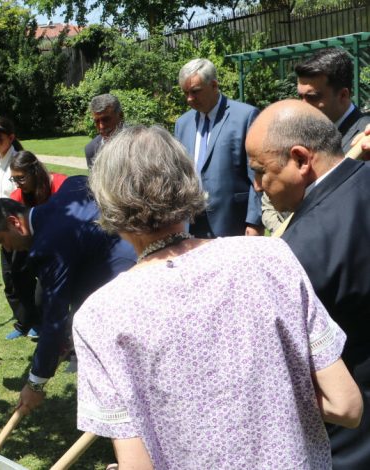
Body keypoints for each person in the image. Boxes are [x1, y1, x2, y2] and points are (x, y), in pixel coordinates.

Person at [75, 125, 362, 469]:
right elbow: (346, 406)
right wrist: (273, 400)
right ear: (187, 180)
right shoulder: (270, 257)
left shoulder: (99, 316)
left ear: (107, 203)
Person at [247, 99, 370, 469]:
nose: (257, 186)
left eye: (260, 171)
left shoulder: (297, 252)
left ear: (301, 159)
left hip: (349, 446)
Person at [0, 177, 136, 415]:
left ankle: (124, 416)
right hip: (145, 251)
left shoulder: (48, 248)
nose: (7, 249)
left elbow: (54, 318)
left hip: (128, 283)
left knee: (118, 367)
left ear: (14, 222)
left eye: (2, 241)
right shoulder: (72, 186)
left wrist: (35, 383)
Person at [261, 47, 370, 232]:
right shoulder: (300, 133)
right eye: (300, 97)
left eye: (312, 97)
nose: (303, 106)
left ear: (343, 95)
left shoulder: (364, 141)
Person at [0, 150, 68, 339]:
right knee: (15, 277)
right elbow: (3, 228)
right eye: (14, 179)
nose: (17, 184)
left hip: (58, 247)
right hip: (29, 243)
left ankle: (56, 329)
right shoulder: (18, 196)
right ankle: (29, 323)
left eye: (21, 178)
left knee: (46, 293)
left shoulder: (60, 185)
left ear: (34, 171)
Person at [174, 58, 263, 238]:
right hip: (192, 226)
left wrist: (254, 221)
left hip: (233, 223)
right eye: (186, 93)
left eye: (195, 91)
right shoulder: (182, 124)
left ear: (214, 85)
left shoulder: (245, 117)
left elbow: (257, 175)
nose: (190, 99)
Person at [84, 93, 124, 170]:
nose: (101, 126)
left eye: (106, 119)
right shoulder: (91, 150)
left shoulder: (140, 140)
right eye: (97, 121)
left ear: (121, 116)